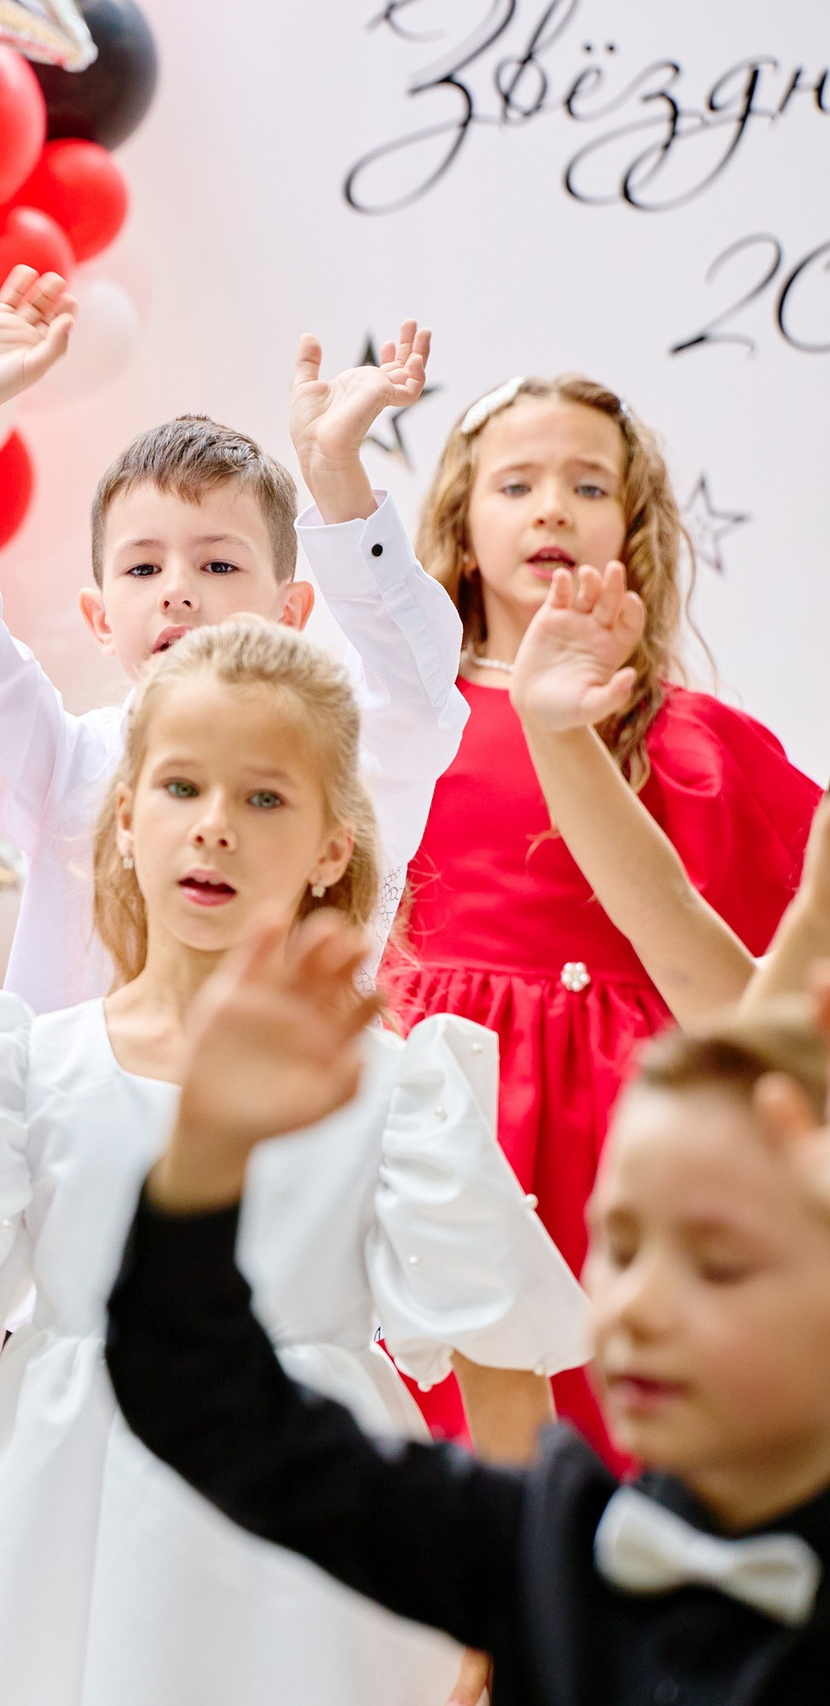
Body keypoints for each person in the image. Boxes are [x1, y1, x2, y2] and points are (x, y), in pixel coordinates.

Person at [0, 621, 589, 1706]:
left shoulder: (396, 1090)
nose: (213, 827)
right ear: (125, 817)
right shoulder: (18, 1065)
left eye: (264, 797)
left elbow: (503, 1368)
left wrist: (511, 1602)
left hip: (314, 1556)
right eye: (180, 787)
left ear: (331, 845)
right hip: (46, 1550)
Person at [105, 916, 830, 1705]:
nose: (636, 1309)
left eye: (719, 1265)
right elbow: (209, 1404)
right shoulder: (537, 1548)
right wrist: (209, 1151)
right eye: (619, 1248)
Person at [386, 373, 821, 1459]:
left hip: (628, 1145)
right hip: (443, 1136)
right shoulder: (398, 729)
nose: (551, 508)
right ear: (458, 521)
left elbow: (763, 985)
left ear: (629, 526)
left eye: (588, 484)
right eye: (517, 482)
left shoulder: (699, 741)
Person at [0, 268, 466, 1012]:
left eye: (218, 562)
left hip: (290, 1115)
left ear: (290, 612)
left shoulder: (345, 766)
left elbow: (413, 692)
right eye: (143, 565)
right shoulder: (68, 770)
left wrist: (337, 481)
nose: (177, 589)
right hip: (85, 1123)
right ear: (100, 620)